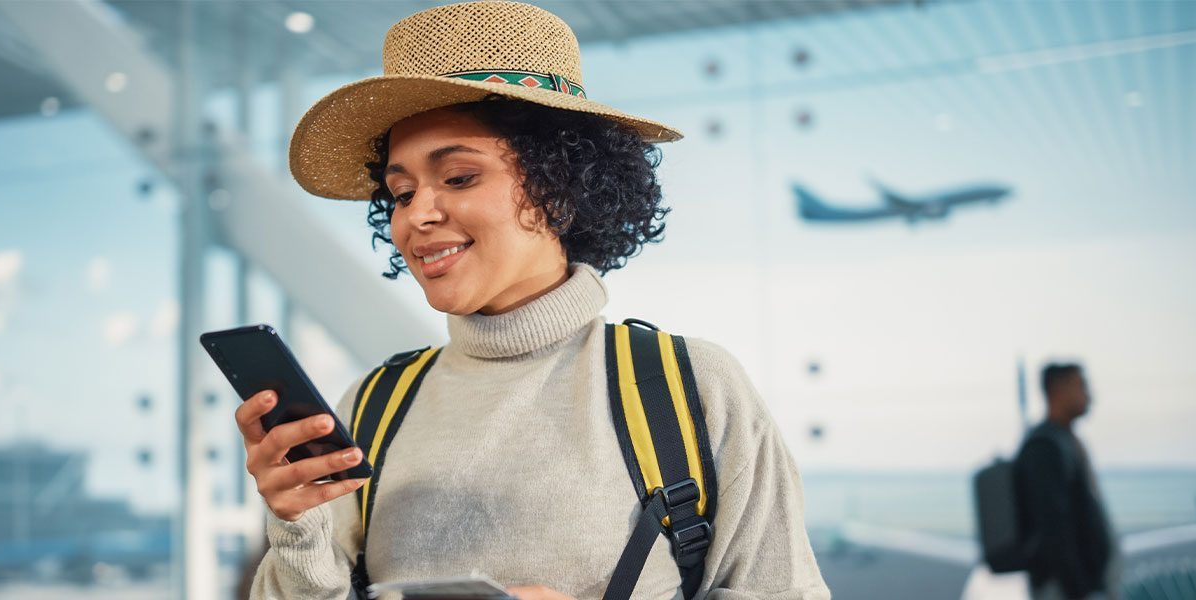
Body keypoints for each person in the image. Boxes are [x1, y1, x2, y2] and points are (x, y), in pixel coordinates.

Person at [235, 2, 828, 598]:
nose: (418, 215)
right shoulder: (372, 406)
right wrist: (296, 528)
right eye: (401, 191)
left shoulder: (689, 387)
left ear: (561, 188)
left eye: (459, 178)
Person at [1015, 363, 1119, 600]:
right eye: (1080, 385)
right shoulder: (1044, 447)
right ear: (1057, 391)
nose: (1088, 395)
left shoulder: (1064, 441)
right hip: (1063, 589)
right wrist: (1079, 590)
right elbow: (1054, 528)